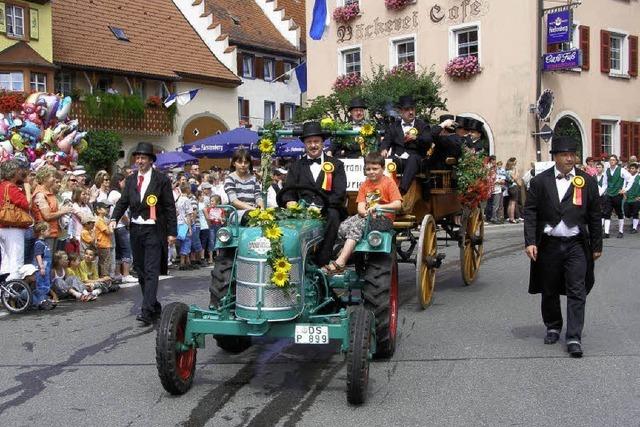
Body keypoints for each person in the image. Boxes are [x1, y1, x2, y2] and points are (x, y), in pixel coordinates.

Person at [524, 136, 602, 358]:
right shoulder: (540, 182)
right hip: (549, 244)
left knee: (577, 289)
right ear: (555, 157)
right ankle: (553, 326)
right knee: (549, 288)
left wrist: (596, 245)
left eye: (572, 154)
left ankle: (574, 336)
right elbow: (530, 212)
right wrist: (530, 241)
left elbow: (595, 214)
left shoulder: (586, 181)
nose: (570, 158)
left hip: (576, 244)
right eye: (565, 155)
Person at [111, 142, 177, 326]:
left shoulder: (161, 179)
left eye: (143, 158)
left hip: (154, 229)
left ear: (150, 160)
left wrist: (172, 232)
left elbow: (169, 206)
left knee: (151, 269)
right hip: (136, 228)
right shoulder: (131, 180)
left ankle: (146, 310)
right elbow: (123, 202)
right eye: (137, 158)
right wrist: (113, 219)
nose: (140, 161)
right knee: (140, 269)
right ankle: (153, 305)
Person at [281, 121, 347, 269]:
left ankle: (322, 262)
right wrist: (290, 201)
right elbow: (288, 191)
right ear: (304, 144)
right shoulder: (296, 166)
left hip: (328, 207)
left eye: (316, 141)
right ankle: (290, 261)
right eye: (309, 142)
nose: (313, 145)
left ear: (323, 143)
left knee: (333, 215)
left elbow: (339, 193)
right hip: (301, 210)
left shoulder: (336, 165)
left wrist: (319, 206)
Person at [325, 152, 402, 274]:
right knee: (342, 227)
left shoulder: (388, 183)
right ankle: (347, 250)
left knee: (357, 227)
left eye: (375, 169)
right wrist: (365, 212)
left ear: (383, 168)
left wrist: (380, 207)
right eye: (368, 169)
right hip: (367, 216)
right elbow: (360, 206)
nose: (371, 172)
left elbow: (398, 204)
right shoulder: (365, 185)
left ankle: (341, 261)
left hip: (383, 219)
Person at [380, 95, 453, 195]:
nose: (411, 112)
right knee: (386, 161)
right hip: (398, 160)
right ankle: (380, 192)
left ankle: (401, 191)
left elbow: (428, 140)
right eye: (407, 110)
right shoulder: (393, 126)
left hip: (417, 161)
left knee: (413, 159)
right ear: (400, 112)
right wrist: (384, 149)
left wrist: (416, 138)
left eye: (412, 109)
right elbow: (386, 141)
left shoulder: (422, 125)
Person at [0, 159, 32, 279]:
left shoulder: (1, 185)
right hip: (13, 229)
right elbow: (27, 204)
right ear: (13, 172)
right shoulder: (11, 187)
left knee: (5, 264)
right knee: (16, 264)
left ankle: (3, 290)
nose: (20, 173)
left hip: (2, 227)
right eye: (18, 170)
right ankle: (8, 294)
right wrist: (27, 189)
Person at [223, 148, 263, 222]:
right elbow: (234, 201)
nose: (243, 165)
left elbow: (258, 196)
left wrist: (262, 207)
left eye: (246, 162)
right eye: (240, 162)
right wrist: (253, 209)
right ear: (234, 163)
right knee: (249, 216)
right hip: (237, 213)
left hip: (254, 211)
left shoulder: (253, 179)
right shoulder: (230, 178)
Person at [601, 154, 634, 238]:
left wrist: (625, 189)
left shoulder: (621, 170)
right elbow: (604, 184)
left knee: (619, 212)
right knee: (607, 213)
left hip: (617, 194)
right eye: (610, 160)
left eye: (613, 160)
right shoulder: (606, 171)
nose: (612, 161)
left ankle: (620, 231)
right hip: (609, 194)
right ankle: (606, 232)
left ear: (616, 161)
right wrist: (600, 193)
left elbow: (631, 179)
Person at [31, 222, 56, 310]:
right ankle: (40, 301)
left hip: (47, 268)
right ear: (42, 231)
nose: (50, 231)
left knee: (46, 285)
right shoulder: (39, 243)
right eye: (48, 230)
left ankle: (45, 299)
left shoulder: (44, 243)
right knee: (41, 285)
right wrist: (41, 267)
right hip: (41, 268)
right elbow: (38, 255)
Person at [94, 202, 113, 277]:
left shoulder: (102, 219)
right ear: (98, 210)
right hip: (103, 244)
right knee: (105, 262)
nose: (107, 209)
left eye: (108, 208)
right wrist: (111, 226)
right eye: (105, 208)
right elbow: (108, 232)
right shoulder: (99, 220)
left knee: (103, 262)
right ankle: (105, 279)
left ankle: (104, 278)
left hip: (104, 244)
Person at [622, 163, 640, 233]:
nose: (631, 170)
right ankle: (634, 220)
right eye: (630, 168)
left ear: (636, 169)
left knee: (635, 213)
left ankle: (634, 228)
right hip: (628, 198)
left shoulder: (638, 177)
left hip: (636, 198)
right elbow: (624, 187)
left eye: (633, 168)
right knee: (627, 214)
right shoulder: (627, 178)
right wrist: (624, 194)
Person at [505, 157, 522, 223]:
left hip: (509, 188)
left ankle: (510, 217)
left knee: (510, 203)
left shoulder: (506, 171)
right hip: (513, 187)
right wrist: (517, 171)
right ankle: (512, 218)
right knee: (513, 203)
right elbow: (515, 178)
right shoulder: (511, 171)